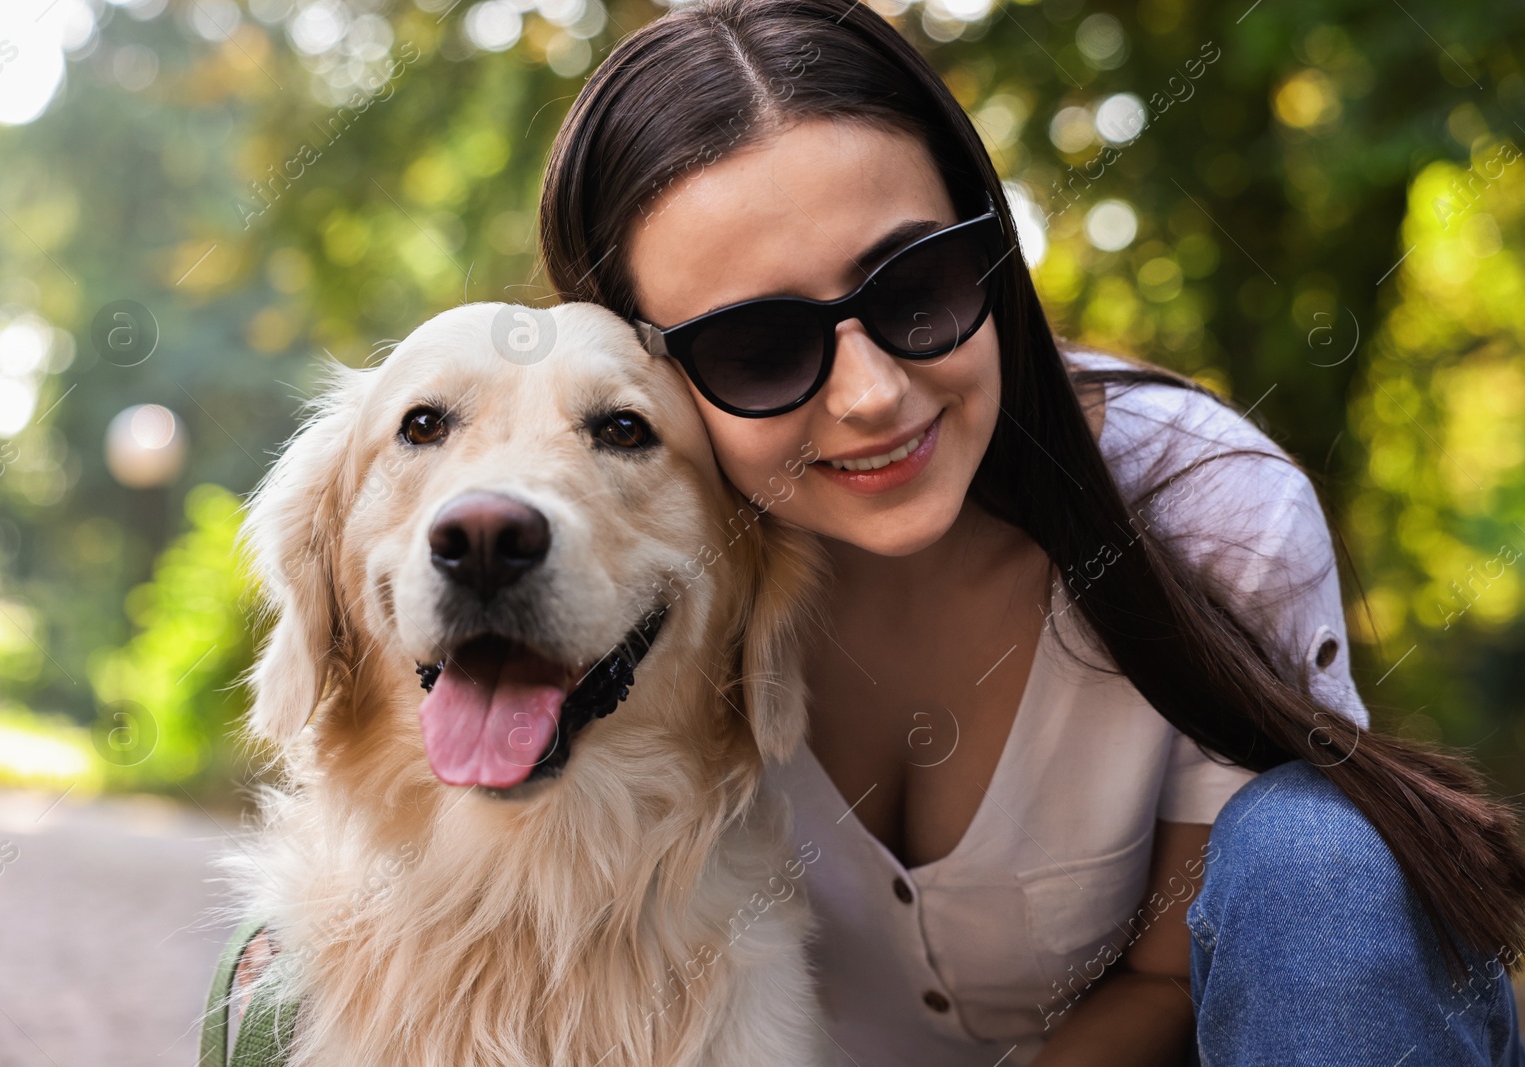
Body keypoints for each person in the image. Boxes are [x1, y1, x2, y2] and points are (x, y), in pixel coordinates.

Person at [534, 0, 1525, 1063]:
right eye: (758, 346)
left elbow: (1169, 971)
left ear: (989, 246)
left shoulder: (1209, 508)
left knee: (1315, 849)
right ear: (638, 371)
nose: (871, 394)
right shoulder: (605, 594)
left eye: (914, 285)